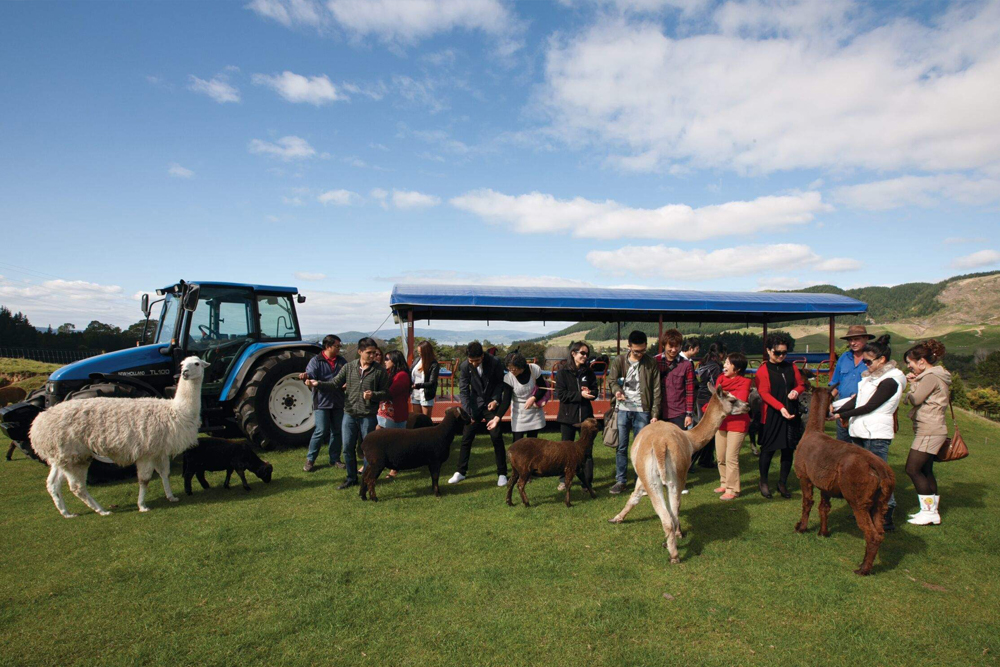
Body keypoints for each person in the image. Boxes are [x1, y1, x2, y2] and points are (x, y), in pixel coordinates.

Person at [832, 335, 907, 530]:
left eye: (868, 361)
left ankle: (886, 513)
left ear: (882, 360)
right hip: (860, 432)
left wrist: (844, 414)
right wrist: (835, 411)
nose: (865, 365)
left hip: (876, 434)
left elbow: (871, 405)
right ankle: (864, 509)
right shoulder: (870, 377)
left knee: (881, 476)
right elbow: (858, 400)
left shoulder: (892, 379)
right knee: (863, 475)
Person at [305, 337, 389, 489]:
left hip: (368, 416)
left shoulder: (380, 371)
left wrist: (374, 395)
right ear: (360, 352)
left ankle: (366, 478)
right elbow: (335, 383)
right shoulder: (349, 367)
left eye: (374, 353)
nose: (372, 356)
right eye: (369, 353)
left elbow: (386, 393)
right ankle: (351, 478)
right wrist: (318, 384)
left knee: (367, 450)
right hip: (349, 415)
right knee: (347, 448)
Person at [902, 339, 951, 526]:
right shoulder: (937, 375)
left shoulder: (930, 377)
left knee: (912, 468)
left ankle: (928, 512)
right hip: (933, 428)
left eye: (910, 362)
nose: (909, 367)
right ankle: (931, 511)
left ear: (922, 361)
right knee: (926, 469)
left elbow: (916, 399)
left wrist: (910, 387)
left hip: (929, 430)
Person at [608, 330, 661, 495]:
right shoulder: (618, 361)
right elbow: (611, 381)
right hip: (623, 410)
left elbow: (656, 389)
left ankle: (642, 481)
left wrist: (654, 414)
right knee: (622, 447)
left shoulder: (651, 363)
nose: (640, 354)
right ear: (628, 346)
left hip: (643, 411)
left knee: (643, 449)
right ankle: (620, 480)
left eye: (643, 350)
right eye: (636, 351)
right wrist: (617, 391)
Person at [449, 341, 508, 487]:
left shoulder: (495, 362)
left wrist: (495, 400)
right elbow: (463, 390)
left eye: (476, 360)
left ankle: (502, 473)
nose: (473, 364)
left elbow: (500, 383)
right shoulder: (464, 366)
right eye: (471, 361)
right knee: (466, 437)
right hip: (474, 405)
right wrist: (468, 413)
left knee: (496, 437)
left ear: (482, 356)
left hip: (491, 405)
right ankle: (461, 472)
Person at [754, 334, 806, 499]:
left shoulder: (792, 368)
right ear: (769, 351)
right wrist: (780, 407)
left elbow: (801, 384)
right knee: (768, 450)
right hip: (772, 415)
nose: (781, 356)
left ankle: (782, 482)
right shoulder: (763, 370)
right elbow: (764, 393)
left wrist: (796, 391)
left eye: (784, 352)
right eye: (777, 353)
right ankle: (763, 481)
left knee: (788, 449)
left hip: (791, 413)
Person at [554, 341, 599, 489]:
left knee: (587, 451)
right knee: (565, 451)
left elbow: (595, 391)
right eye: (582, 353)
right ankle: (563, 480)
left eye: (587, 354)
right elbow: (561, 395)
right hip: (567, 417)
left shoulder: (589, 372)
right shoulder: (562, 372)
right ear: (573, 353)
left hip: (586, 418)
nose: (585, 356)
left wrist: (590, 392)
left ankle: (587, 482)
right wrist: (580, 395)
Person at [300, 335, 347, 473]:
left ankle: (335, 459)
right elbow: (310, 376)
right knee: (320, 431)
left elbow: (347, 376)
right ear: (328, 346)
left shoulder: (341, 361)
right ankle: (310, 460)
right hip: (322, 402)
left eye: (340, 346)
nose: (339, 348)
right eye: (337, 346)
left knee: (337, 432)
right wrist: (306, 377)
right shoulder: (316, 361)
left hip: (338, 401)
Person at [713, 352, 752, 500]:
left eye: (728, 363)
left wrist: (724, 395)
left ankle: (733, 489)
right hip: (722, 421)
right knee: (721, 456)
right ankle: (724, 482)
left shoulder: (745, 382)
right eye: (725, 363)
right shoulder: (720, 379)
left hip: (738, 423)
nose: (724, 366)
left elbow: (739, 401)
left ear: (737, 369)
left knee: (731, 457)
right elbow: (718, 399)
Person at [828, 325, 875, 442]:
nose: (853, 343)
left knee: (860, 446)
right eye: (850, 340)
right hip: (842, 408)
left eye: (856, 339)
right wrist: (829, 400)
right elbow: (835, 382)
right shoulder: (844, 357)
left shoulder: (873, 359)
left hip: (863, 408)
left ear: (866, 338)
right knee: (842, 444)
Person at [489, 352, 547, 446]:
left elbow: (542, 388)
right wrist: (496, 419)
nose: (512, 371)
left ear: (521, 366)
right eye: (509, 369)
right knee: (517, 444)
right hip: (519, 413)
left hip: (534, 411)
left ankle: (532, 461)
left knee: (532, 444)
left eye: (514, 368)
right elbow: (506, 401)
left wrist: (533, 398)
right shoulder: (508, 378)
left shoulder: (534, 369)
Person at [377, 349, 411, 480]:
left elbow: (390, 392)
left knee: (394, 442)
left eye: (387, 359)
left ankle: (394, 468)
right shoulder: (390, 373)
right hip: (385, 412)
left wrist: (374, 393)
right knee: (380, 437)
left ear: (395, 361)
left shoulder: (401, 375)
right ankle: (374, 463)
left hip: (395, 413)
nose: (384, 361)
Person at [692, 342, 725, 469]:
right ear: (720, 354)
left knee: (705, 430)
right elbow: (716, 385)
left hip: (701, 397)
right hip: (708, 398)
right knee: (706, 431)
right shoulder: (715, 367)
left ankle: (705, 459)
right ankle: (693, 461)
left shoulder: (704, 362)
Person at [410, 340, 440, 418]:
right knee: (416, 419)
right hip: (415, 394)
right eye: (419, 352)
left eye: (421, 353)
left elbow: (432, 382)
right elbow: (410, 372)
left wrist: (418, 385)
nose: (419, 354)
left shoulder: (434, 364)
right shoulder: (417, 360)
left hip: (426, 395)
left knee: (426, 421)